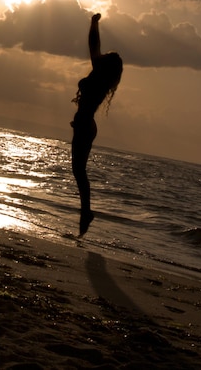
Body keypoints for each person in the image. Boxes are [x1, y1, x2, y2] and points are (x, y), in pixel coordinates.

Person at [71, 13, 123, 236]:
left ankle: (86, 212)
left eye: (105, 57)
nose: (100, 56)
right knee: (78, 170)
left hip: (85, 125)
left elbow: (94, 44)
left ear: (106, 65)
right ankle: (85, 213)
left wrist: (94, 24)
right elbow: (96, 48)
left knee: (79, 171)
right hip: (85, 124)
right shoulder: (103, 78)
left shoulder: (100, 76)